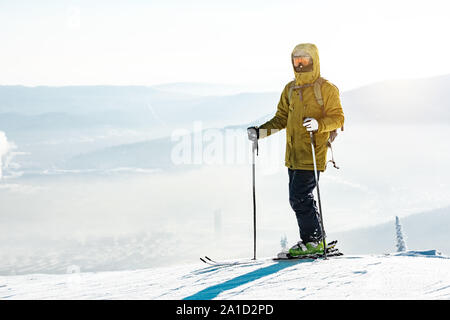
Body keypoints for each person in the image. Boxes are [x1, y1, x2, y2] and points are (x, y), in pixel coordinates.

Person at [247, 43, 344, 257]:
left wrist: (319, 124)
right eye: (296, 61)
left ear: (314, 61)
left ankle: (313, 241)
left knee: (299, 197)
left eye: (304, 60)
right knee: (301, 197)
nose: (300, 65)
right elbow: (282, 118)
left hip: (313, 152)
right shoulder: (290, 89)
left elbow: (338, 117)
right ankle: (317, 239)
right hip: (293, 155)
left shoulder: (326, 88)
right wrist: (260, 133)